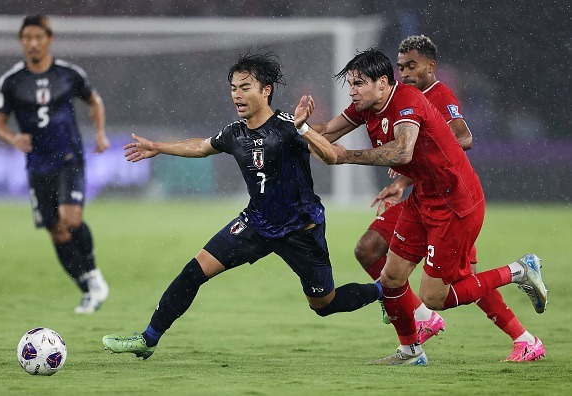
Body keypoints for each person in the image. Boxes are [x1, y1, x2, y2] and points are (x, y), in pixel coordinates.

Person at [101, 52, 382, 359]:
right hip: (256, 224)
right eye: (234, 87)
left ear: (266, 90)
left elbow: (329, 156)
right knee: (194, 272)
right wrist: (158, 146)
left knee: (324, 306)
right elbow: (201, 146)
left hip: (301, 230)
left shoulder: (289, 125)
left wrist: (304, 128)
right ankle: (148, 339)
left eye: (245, 87)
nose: (237, 94)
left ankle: (383, 291)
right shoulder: (235, 133)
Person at [300, 47, 548, 365]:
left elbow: (406, 151)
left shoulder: (410, 100)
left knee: (438, 295)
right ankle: (411, 351)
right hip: (424, 197)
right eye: (350, 83)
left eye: (358, 83)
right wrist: (293, 127)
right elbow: (327, 131)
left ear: (382, 82)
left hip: (455, 202)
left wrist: (347, 156)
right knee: (389, 274)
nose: (352, 90)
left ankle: (519, 272)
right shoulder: (367, 105)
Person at [0, 15, 110, 314]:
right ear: (21, 41)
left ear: (49, 39)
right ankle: (87, 288)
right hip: (38, 164)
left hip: (69, 157)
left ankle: (94, 273)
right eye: (27, 38)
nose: (32, 43)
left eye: (38, 37)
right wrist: (13, 139)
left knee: (70, 219)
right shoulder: (11, 81)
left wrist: (99, 134)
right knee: (55, 229)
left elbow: (94, 101)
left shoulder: (68, 74)